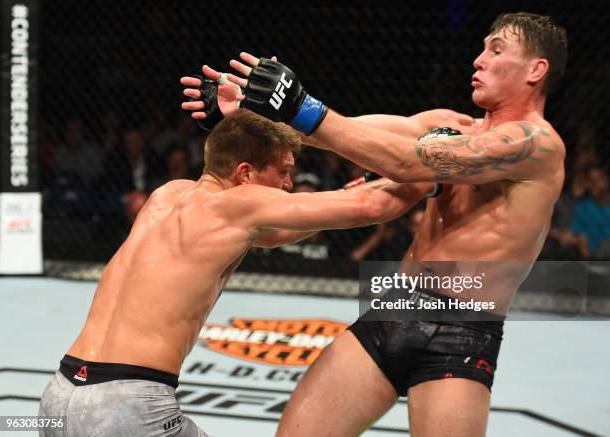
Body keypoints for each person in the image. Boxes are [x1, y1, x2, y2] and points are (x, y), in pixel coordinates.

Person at [181, 11, 568, 437]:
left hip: (460, 331)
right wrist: (248, 120)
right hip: (392, 312)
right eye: (481, 48)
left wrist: (301, 107)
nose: (478, 60)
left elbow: (406, 161)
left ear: (536, 69)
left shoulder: (537, 146)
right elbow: (342, 132)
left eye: (496, 50)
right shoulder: (449, 124)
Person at [38, 110, 434, 437]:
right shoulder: (236, 206)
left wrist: (359, 186)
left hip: (58, 396)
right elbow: (372, 210)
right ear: (245, 174)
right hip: (127, 408)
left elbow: (278, 233)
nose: (288, 183)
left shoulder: (167, 195)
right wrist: (435, 171)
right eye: (282, 171)